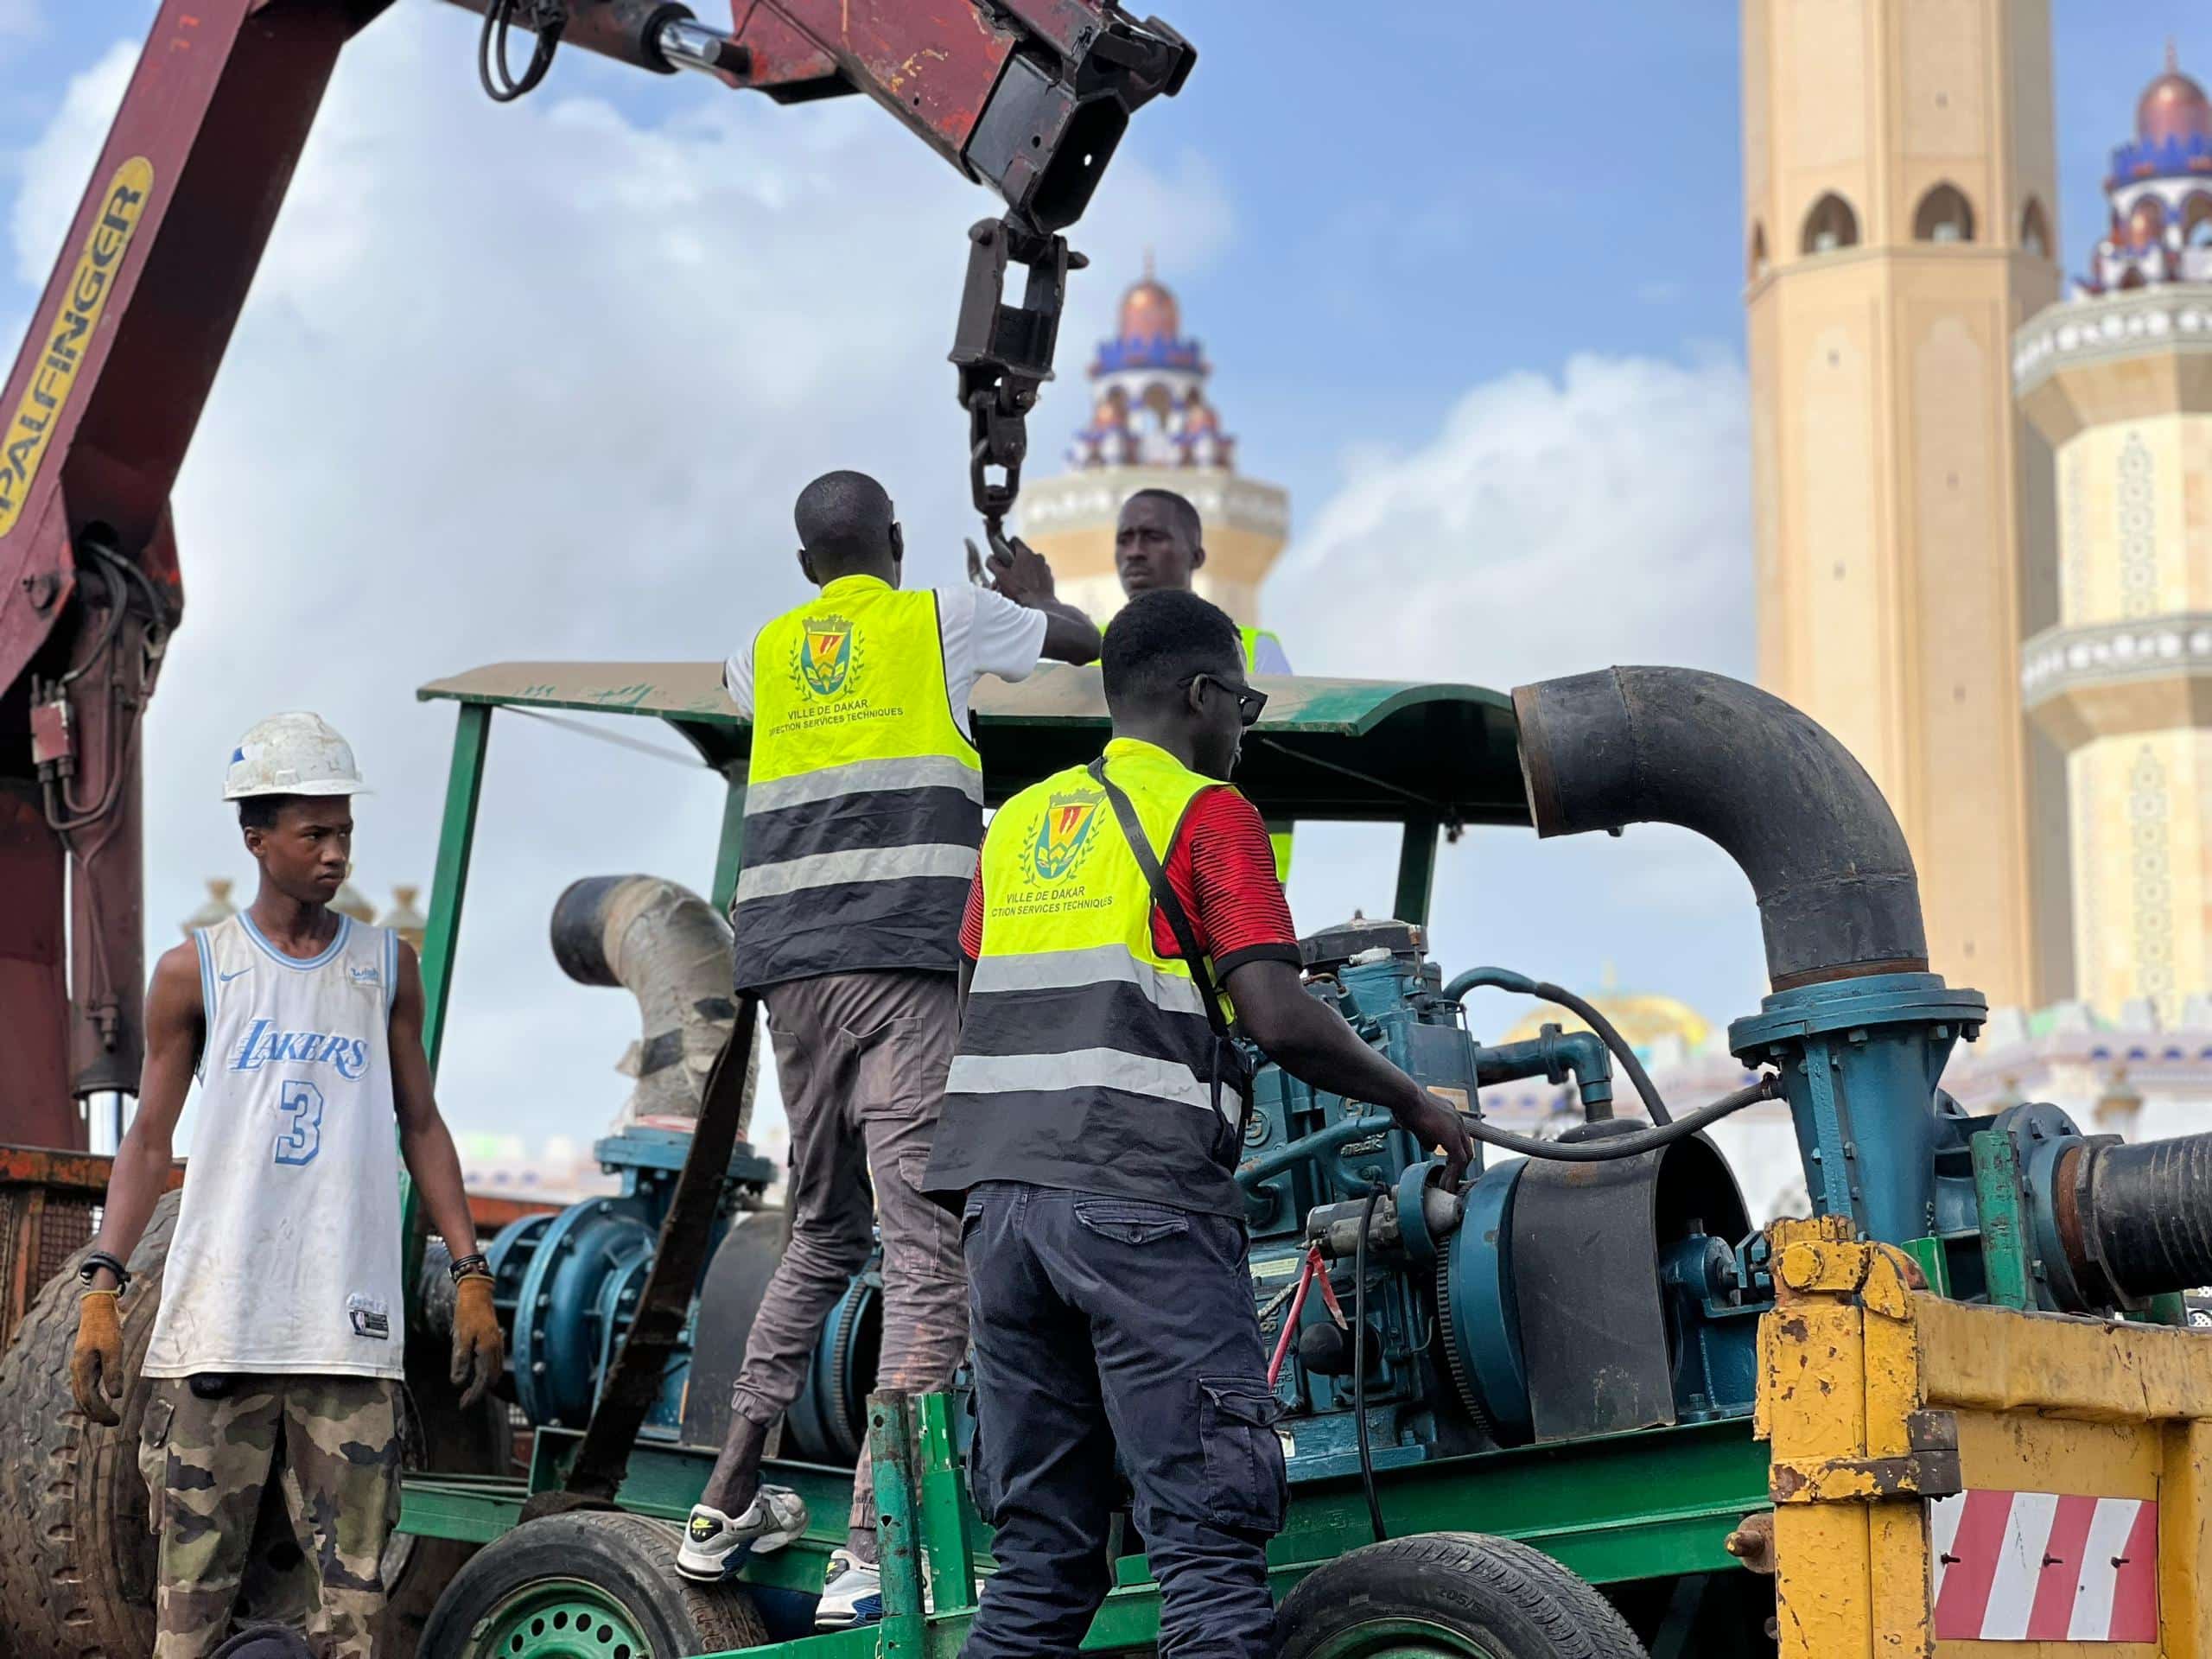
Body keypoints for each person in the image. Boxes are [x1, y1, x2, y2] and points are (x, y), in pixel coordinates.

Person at [922, 589, 1471, 1658]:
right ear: (1202, 694)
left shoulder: (1023, 821)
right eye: (1245, 705)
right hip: (1137, 1204)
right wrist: (1412, 1099)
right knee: (1208, 1557)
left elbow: (974, 990)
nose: (1242, 730)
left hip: (996, 1214)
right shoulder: (1210, 816)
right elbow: (1275, 1014)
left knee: (1043, 1563)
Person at [684, 469, 1100, 1625]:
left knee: (821, 1231)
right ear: (899, 543)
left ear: (805, 563)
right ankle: (869, 1545)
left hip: (789, 980)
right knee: (928, 1249)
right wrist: (1034, 591)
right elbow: (1073, 641)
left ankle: (724, 1500)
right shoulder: (945, 618)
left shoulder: (762, 654)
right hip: (905, 964)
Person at [68, 711, 505, 1659]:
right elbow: (149, 1139)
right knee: (187, 1614)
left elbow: (420, 1124)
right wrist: (104, 1282)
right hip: (219, 1325)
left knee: (354, 1618)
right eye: (314, 833)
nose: (336, 853)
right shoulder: (196, 973)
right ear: (256, 839)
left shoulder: (383, 967)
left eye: (345, 830)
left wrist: (469, 1272)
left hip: (345, 1337)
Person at [1115, 486, 1295, 876]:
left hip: (1236, 874)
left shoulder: (1254, 647)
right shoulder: (1098, 648)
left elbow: (1285, 761)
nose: (1134, 551)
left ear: (1196, 555)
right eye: (1125, 539)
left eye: (1153, 536)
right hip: (1123, 872)